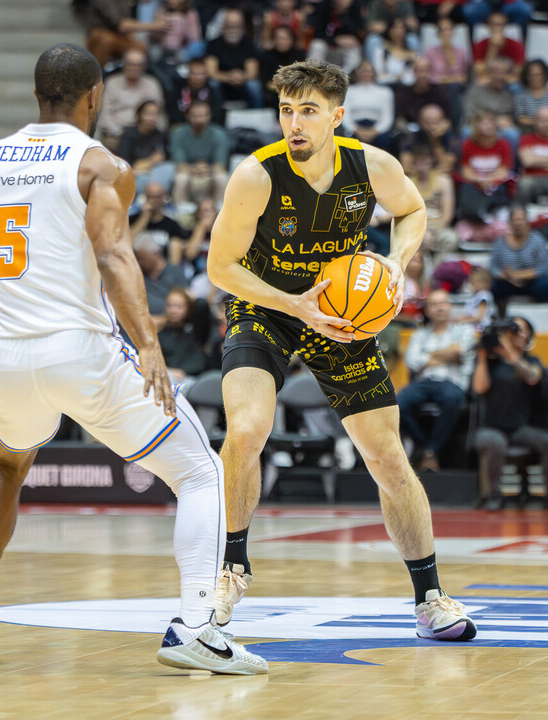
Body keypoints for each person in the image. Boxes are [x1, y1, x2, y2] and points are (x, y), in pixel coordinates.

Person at [0, 43, 266, 673]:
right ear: (95, 95)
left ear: (36, 95)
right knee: (201, 471)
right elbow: (115, 255)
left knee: (6, 465)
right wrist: (148, 344)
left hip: (4, 358)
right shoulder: (100, 165)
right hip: (82, 352)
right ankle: (197, 627)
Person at [206, 59, 477, 640]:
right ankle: (229, 568)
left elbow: (413, 209)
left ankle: (431, 599)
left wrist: (396, 263)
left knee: (387, 457)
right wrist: (295, 303)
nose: (295, 123)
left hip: (342, 313)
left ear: (337, 116)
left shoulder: (372, 166)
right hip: (268, 306)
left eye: (308, 111)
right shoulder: (256, 175)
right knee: (247, 429)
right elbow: (220, 267)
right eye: (286, 110)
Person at [472, 316, 548, 510]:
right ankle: (493, 496)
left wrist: (511, 355)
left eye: (522, 330)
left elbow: (532, 377)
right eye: (515, 331)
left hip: (519, 427)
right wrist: (482, 357)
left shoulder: (531, 361)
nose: (520, 334)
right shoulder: (492, 362)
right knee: (495, 442)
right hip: (491, 426)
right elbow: (479, 388)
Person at [398, 289, 476, 471]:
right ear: (427, 310)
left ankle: (429, 451)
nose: (440, 308)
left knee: (452, 398)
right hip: (424, 383)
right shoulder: (420, 334)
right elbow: (412, 362)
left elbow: (460, 351)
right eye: (434, 304)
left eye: (443, 303)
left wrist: (428, 356)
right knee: (398, 404)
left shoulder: (464, 330)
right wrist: (448, 355)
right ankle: (427, 448)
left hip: (451, 382)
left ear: (450, 306)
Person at [168, 101, 229, 207]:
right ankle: (181, 211)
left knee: (222, 177)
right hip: (188, 173)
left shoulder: (219, 134)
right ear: (188, 116)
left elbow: (220, 165)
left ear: (209, 116)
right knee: (180, 179)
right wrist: (195, 169)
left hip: (210, 173)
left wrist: (206, 169)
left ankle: (220, 209)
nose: (199, 120)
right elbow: (180, 165)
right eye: (195, 116)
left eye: (203, 116)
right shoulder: (178, 133)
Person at [491, 206, 548, 306]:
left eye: (521, 219)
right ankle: (500, 314)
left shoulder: (537, 240)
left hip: (532, 282)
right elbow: (494, 269)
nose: (518, 223)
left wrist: (515, 275)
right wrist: (506, 276)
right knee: (496, 287)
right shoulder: (500, 243)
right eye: (515, 220)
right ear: (509, 222)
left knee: (546, 284)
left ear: (527, 221)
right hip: (508, 283)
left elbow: (543, 269)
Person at [97, 48, 164, 143]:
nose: (135, 68)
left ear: (144, 67)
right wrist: (123, 135)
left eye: (139, 65)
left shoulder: (152, 84)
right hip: (117, 134)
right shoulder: (112, 83)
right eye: (131, 64)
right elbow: (105, 115)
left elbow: (159, 114)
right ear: (124, 64)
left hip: (145, 136)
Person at [456, 112, 514, 222]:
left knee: (504, 186)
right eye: (484, 123)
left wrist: (490, 180)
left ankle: (498, 212)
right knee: (466, 187)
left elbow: (504, 170)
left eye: (491, 123)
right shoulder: (468, 144)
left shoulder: (503, 144)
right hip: (475, 183)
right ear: (477, 126)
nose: (488, 126)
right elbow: (466, 171)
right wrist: (480, 180)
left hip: (496, 183)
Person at [205, 10, 261, 109]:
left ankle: (257, 112)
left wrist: (241, 77)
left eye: (237, 26)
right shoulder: (214, 44)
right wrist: (229, 76)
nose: (233, 30)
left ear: (242, 27)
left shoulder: (248, 44)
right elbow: (211, 72)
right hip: (222, 82)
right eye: (230, 26)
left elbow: (252, 73)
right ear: (224, 26)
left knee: (254, 85)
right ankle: (216, 113)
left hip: (242, 82)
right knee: (212, 83)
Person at [407, 144, 456, 255]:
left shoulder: (444, 180)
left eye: (426, 161)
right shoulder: (409, 182)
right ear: (414, 163)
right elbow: (407, 213)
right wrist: (422, 232)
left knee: (451, 238)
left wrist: (433, 232)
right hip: (416, 226)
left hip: (437, 224)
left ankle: (438, 266)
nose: (423, 165)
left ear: (431, 161)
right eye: (419, 161)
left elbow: (447, 213)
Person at [117, 101, 174, 195]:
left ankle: (155, 196)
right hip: (133, 175)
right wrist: (151, 161)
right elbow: (125, 164)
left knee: (169, 168)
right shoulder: (128, 135)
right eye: (148, 114)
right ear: (140, 114)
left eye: (155, 114)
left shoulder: (160, 136)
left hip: (153, 175)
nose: (152, 118)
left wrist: (145, 166)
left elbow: (163, 159)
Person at [464, 58, 520, 146]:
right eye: (496, 72)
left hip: (501, 129)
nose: (499, 77)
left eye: (503, 73)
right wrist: (492, 121)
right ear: (489, 73)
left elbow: (513, 117)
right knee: (466, 132)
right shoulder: (475, 91)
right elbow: (469, 114)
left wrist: (508, 121)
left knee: (512, 134)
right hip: (478, 126)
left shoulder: (510, 94)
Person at [158, 286, 209, 381]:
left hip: (197, 378)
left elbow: (202, 305)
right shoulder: (160, 333)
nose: (173, 310)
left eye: (179, 306)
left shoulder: (196, 329)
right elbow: (154, 362)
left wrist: (191, 297)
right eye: (169, 305)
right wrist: (168, 371)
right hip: (171, 378)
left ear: (188, 307)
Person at [341, 61, 394, 136]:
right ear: (357, 72)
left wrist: (374, 131)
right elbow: (344, 115)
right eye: (363, 71)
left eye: (369, 71)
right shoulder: (348, 91)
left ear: (374, 73)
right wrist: (356, 130)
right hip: (354, 128)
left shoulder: (385, 92)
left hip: (377, 129)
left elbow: (387, 117)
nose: (366, 73)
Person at [166, 59, 224, 128]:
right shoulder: (177, 88)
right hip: (181, 125)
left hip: (206, 126)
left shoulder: (213, 92)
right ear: (188, 73)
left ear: (207, 75)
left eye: (201, 74)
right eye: (194, 73)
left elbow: (216, 114)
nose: (198, 77)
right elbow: (171, 109)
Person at [471, 12, 524, 84]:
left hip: (508, 79)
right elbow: (479, 71)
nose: (496, 27)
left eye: (500, 24)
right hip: (488, 80)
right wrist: (493, 49)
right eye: (493, 24)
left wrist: (501, 78)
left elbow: (519, 70)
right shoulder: (480, 45)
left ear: (505, 26)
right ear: (488, 26)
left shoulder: (516, 45)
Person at [515, 60, 548, 132]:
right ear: (526, 76)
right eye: (531, 75)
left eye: (538, 74)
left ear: (545, 75)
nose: (535, 78)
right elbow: (521, 119)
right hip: (529, 131)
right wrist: (540, 123)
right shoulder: (520, 96)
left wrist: (546, 124)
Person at [422, 17, 468, 86]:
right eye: (443, 30)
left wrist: (455, 79)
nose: (447, 33)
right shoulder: (430, 52)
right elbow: (426, 74)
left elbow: (465, 75)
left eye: (449, 29)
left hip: (458, 88)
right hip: (437, 87)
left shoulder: (461, 52)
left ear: (453, 31)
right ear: (438, 33)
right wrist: (445, 80)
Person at [457, 266, 497, 331]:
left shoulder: (484, 295)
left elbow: (479, 317)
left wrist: (463, 321)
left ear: (484, 283)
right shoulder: (475, 296)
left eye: (476, 281)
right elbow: (469, 315)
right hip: (472, 327)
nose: (472, 283)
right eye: (471, 281)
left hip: (482, 329)